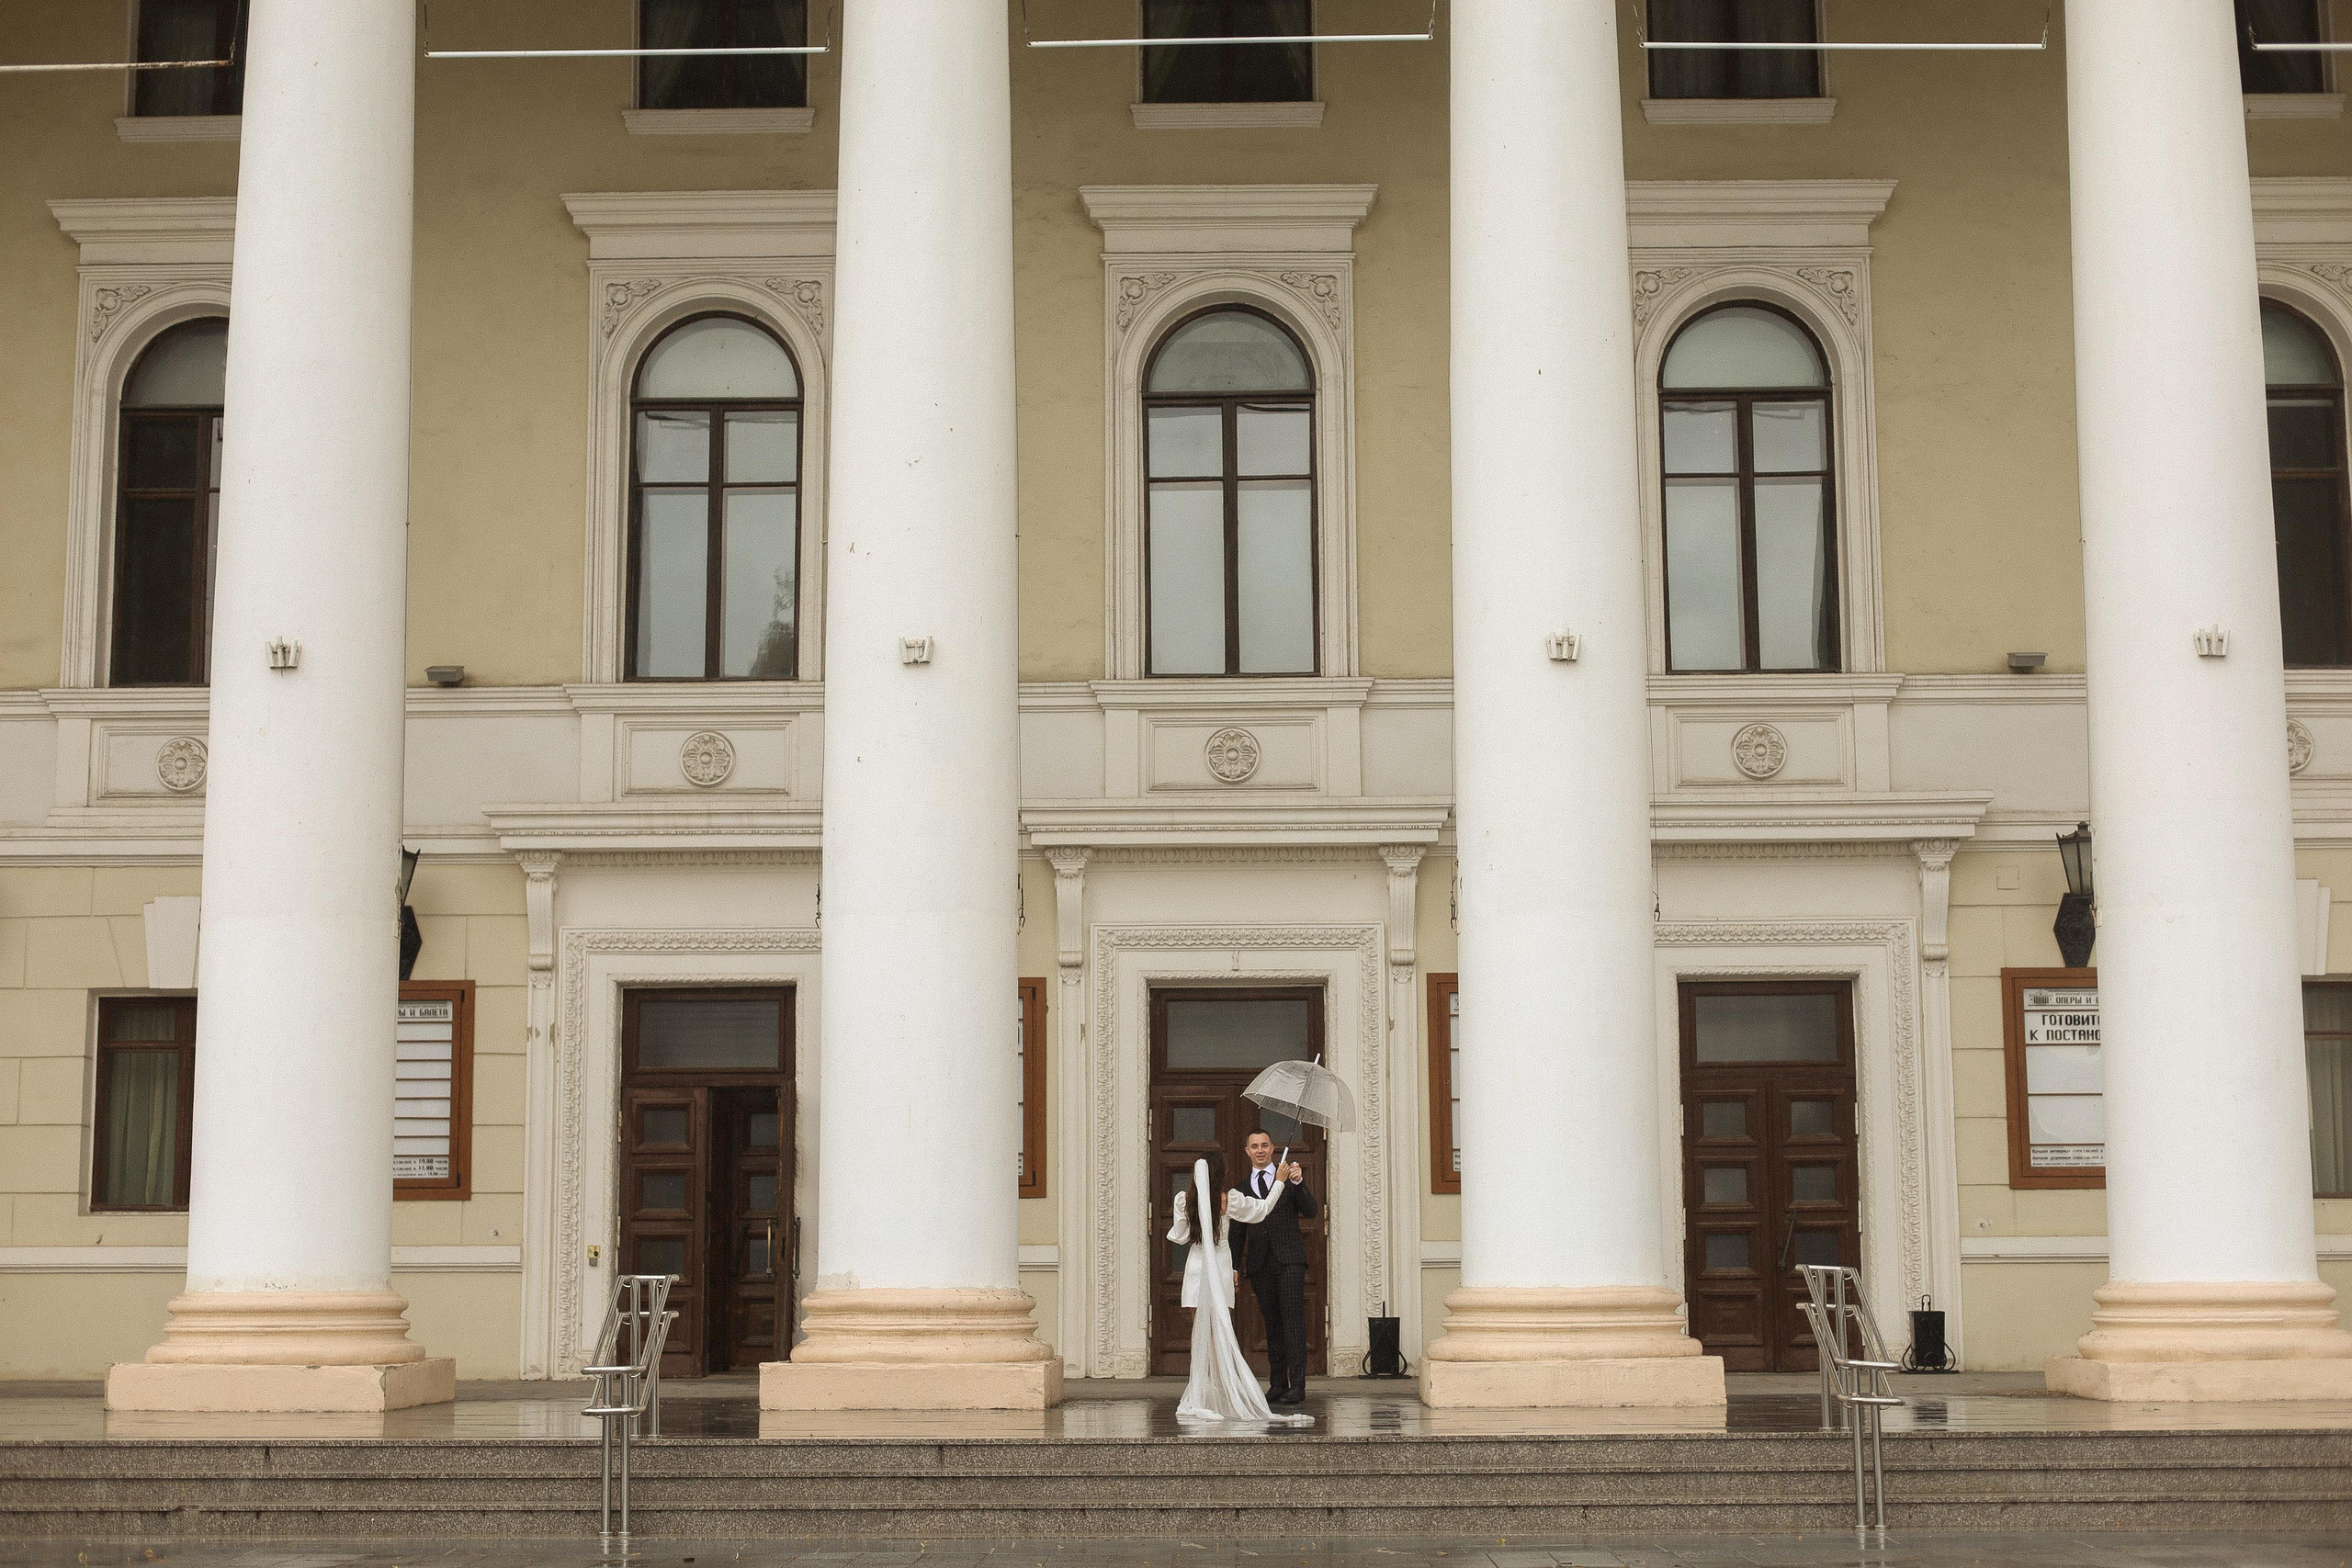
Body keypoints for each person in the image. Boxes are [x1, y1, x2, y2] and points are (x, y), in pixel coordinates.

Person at [1163, 1152, 1312, 1427]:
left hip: (1197, 1269)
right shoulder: (1229, 1199)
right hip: (1219, 1267)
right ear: (1221, 1173)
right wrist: (1279, 1182)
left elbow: (1180, 1236)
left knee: (1200, 1334)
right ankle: (1221, 1394)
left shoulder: (1185, 1200)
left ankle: (1203, 1394)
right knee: (1219, 1332)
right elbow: (1262, 1210)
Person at [1229, 1129, 1317, 1406]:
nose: (1259, 1150)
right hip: (1259, 1264)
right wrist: (1232, 1267)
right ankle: (1278, 1383)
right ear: (1247, 1151)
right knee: (1273, 1325)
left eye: (1264, 1145)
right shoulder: (1241, 1188)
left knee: (1293, 1322)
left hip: (1289, 1260)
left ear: (1272, 1148)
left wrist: (1298, 1181)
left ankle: (1298, 1385)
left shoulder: (1289, 1178)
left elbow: (1311, 1210)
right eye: (1254, 1146)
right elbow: (1236, 1233)